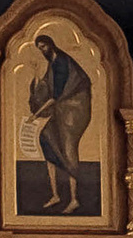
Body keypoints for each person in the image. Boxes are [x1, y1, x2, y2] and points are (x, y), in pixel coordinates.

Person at [25, 31, 93, 215]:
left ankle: (74, 199)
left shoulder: (61, 63)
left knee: (67, 148)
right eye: (39, 48)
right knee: (46, 138)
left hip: (73, 110)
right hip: (62, 109)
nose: (42, 51)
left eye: (44, 47)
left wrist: (35, 115)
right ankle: (55, 194)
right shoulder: (53, 63)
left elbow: (55, 97)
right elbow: (46, 85)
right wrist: (36, 76)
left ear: (51, 44)